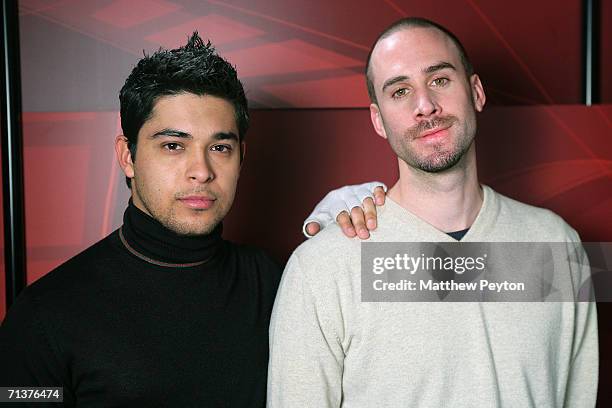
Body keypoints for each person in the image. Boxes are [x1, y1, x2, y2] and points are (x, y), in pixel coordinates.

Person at [0, 33, 380, 407]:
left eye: (219, 147)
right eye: (173, 146)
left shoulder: (276, 282)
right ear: (128, 156)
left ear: (241, 157)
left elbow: (414, 324)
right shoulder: (44, 316)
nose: (201, 170)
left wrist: (372, 228)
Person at [268, 17, 598, 407]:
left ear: (475, 92)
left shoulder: (556, 245)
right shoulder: (321, 267)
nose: (425, 106)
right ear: (378, 120)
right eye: (400, 91)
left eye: (439, 80)